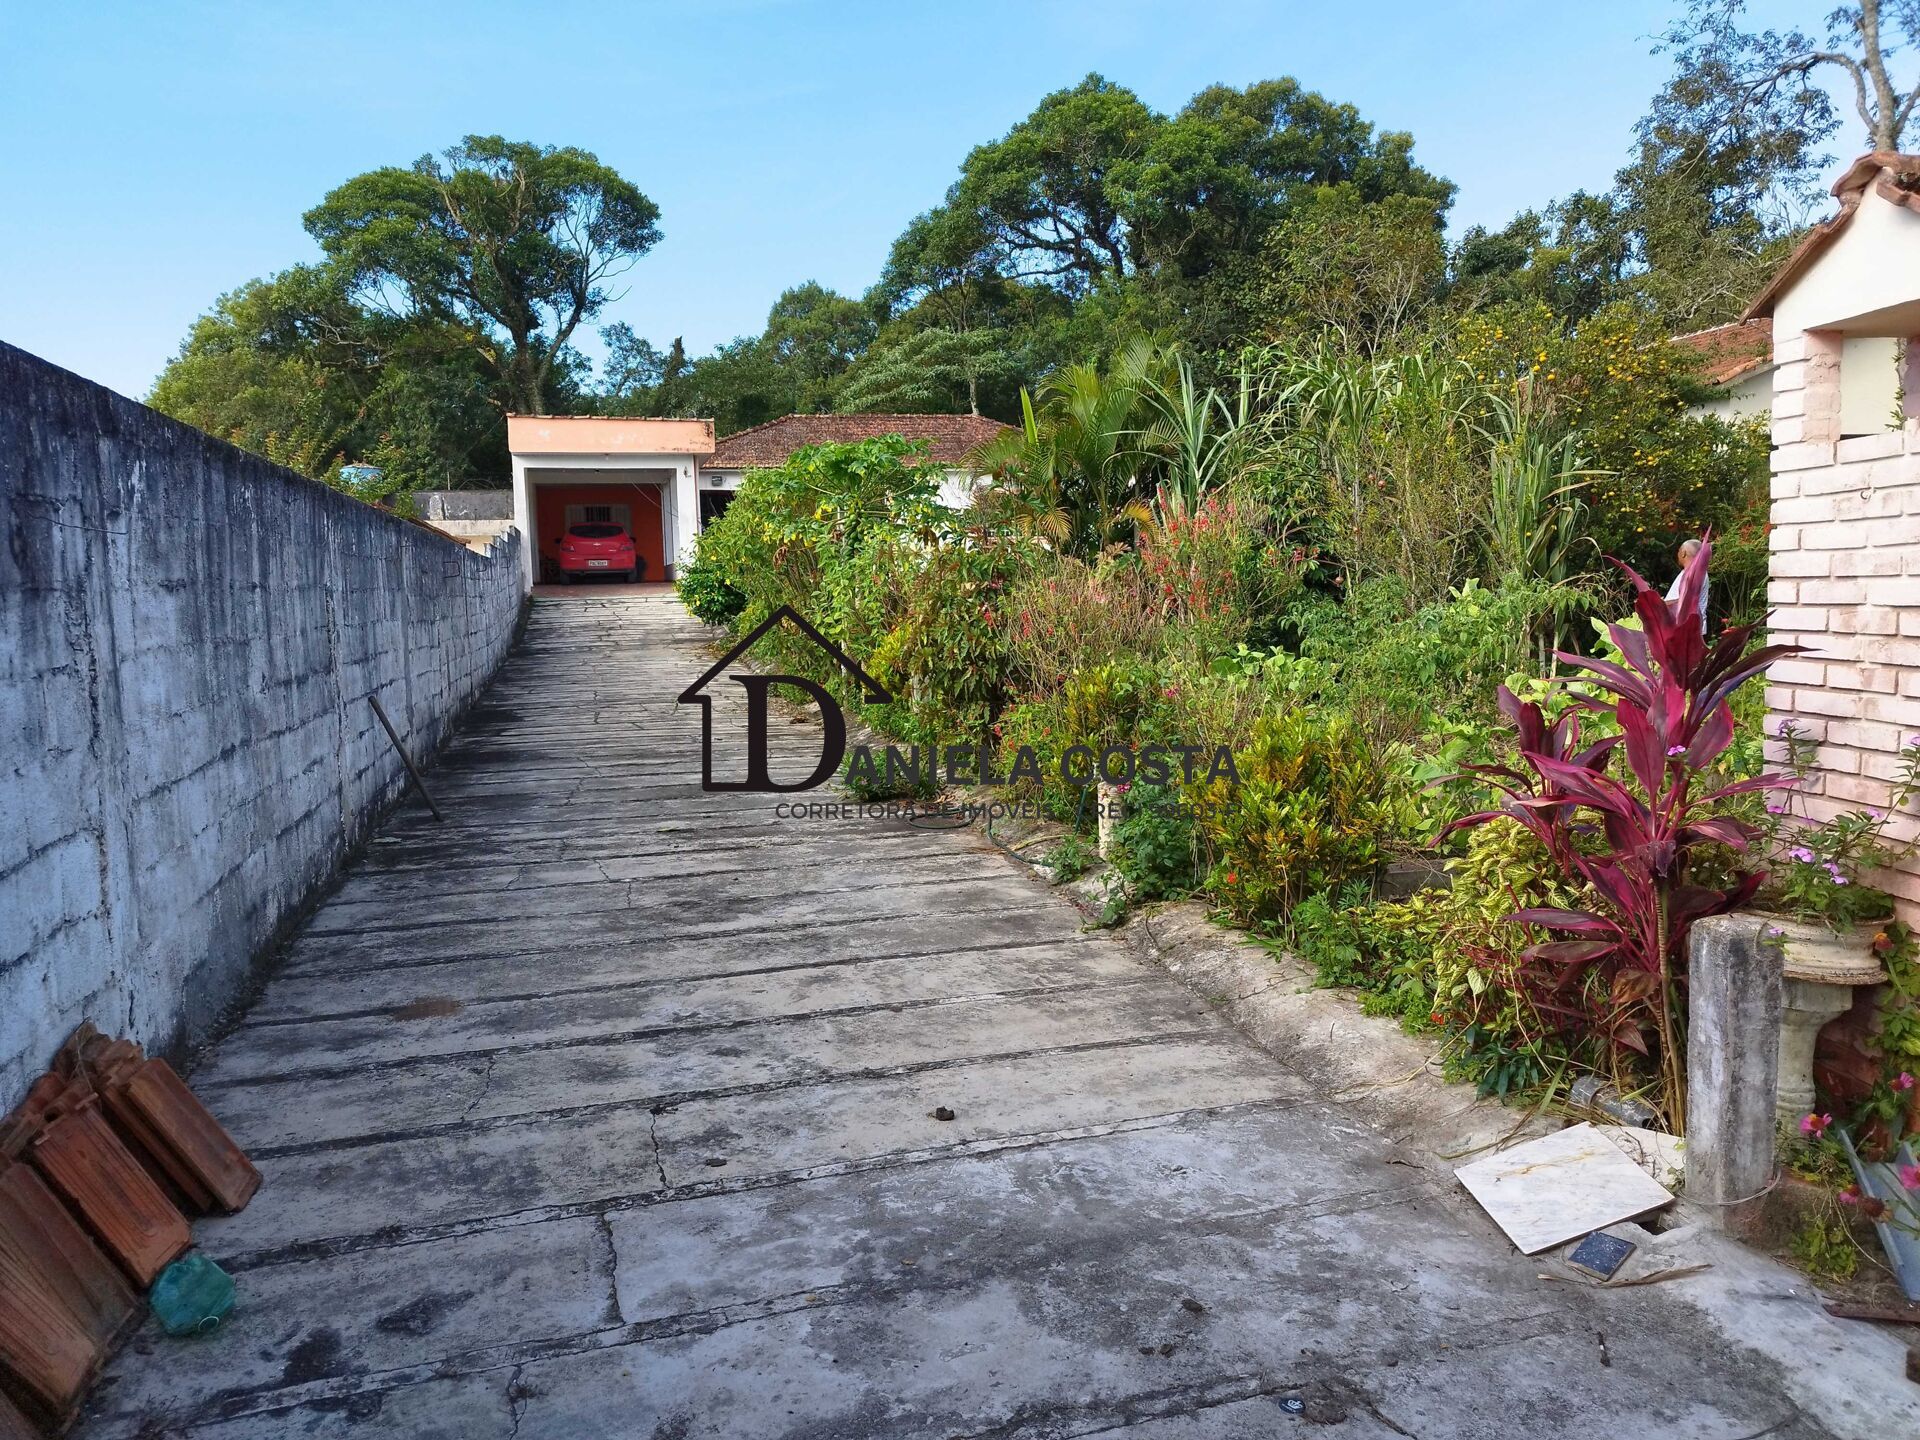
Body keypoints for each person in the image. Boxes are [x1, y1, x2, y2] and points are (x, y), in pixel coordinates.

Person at [1664, 537, 1708, 631]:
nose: (1678, 554)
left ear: (1683, 553)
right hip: (1684, 628)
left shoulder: (1694, 574)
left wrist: (1660, 604)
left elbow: (1686, 601)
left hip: (1687, 630)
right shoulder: (1691, 572)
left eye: (1679, 551)